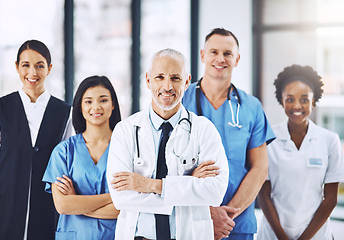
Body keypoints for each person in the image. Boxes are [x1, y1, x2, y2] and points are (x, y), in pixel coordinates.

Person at [106, 48, 229, 240]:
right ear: (148, 80)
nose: (167, 86)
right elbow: (121, 198)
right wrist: (187, 186)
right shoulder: (126, 130)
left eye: (175, 78)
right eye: (160, 77)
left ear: (187, 81)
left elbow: (215, 191)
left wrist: (150, 185)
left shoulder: (204, 130)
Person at [182, 28, 275, 240]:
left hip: (236, 223)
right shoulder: (180, 103)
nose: (220, 59)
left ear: (237, 59)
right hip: (190, 219)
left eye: (227, 53)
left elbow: (259, 169)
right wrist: (207, 213)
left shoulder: (251, 107)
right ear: (203, 55)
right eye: (214, 52)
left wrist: (226, 216)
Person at [0, 40, 73, 240]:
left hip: (47, 209)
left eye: (40, 65)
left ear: (49, 68)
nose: (32, 72)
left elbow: (65, 164)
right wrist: (7, 198)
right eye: (26, 65)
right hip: (5, 208)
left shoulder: (65, 113)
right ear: (16, 67)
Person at [257, 64, 344, 240]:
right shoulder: (267, 139)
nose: (297, 105)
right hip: (273, 235)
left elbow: (331, 199)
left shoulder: (329, 140)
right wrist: (283, 238)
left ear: (313, 101)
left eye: (304, 99)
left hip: (316, 235)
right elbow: (263, 195)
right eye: (290, 99)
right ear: (282, 101)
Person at [42, 75, 121, 240]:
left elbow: (127, 208)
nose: (96, 107)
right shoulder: (64, 151)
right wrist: (112, 198)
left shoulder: (127, 149)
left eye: (103, 100)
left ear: (113, 104)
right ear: (79, 107)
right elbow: (63, 205)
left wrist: (76, 203)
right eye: (88, 101)